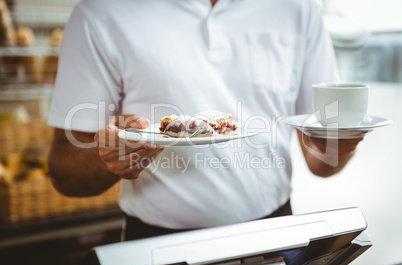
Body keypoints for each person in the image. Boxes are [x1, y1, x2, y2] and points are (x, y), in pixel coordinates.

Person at [47, 0, 362, 240]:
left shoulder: (298, 6)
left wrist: (340, 144)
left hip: (275, 234)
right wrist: (109, 157)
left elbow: (322, 163)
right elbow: (64, 170)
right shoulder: (101, 11)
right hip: (158, 241)